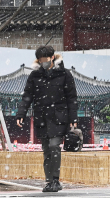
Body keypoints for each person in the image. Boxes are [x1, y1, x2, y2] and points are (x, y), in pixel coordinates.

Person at [16, 46, 78, 193]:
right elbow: (27, 96)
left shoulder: (65, 74)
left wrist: (73, 118)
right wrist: (21, 114)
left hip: (58, 117)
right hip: (41, 117)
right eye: (40, 60)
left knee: (54, 146)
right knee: (46, 149)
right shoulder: (35, 76)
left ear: (52, 58)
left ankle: (56, 180)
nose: (43, 62)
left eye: (45, 59)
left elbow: (72, 98)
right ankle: (49, 181)